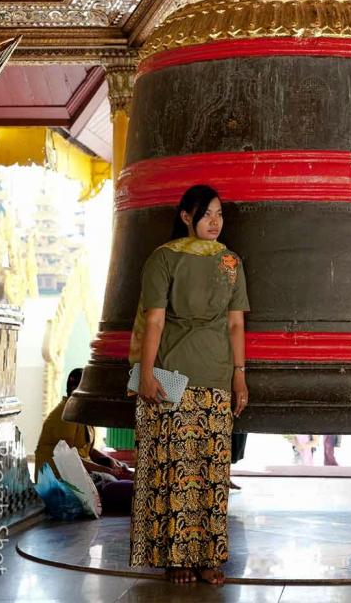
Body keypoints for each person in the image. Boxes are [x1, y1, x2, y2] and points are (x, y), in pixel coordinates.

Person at [129, 184, 250, 586]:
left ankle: (207, 557)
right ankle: (175, 558)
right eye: (206, 214)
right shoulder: (162, 260)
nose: (215, 222)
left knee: (212, 474)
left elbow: (235, 323)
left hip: (216, 377)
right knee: (175, 475)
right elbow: (155, 321)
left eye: (219, 214)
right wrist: (146, 374)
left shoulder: (230, 262)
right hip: (172, 376)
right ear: (186, 216)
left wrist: (239, 376)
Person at [34, 368, 134, 514]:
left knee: (119, 481)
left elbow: (88, 449)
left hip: (79, 474)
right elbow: (68, 459)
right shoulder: (66, 415)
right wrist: (108, 470)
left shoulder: (81, 413)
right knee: (113, 483)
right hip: (61, 481)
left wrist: (111, 461)